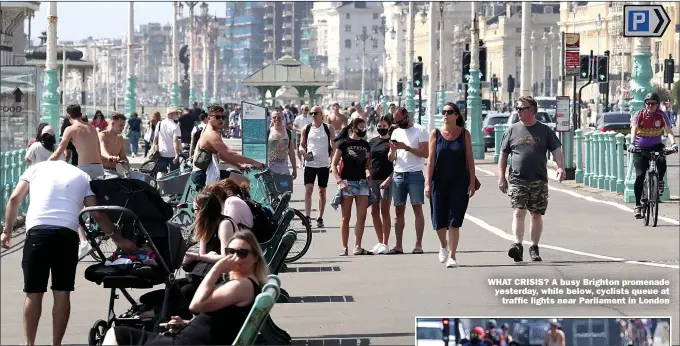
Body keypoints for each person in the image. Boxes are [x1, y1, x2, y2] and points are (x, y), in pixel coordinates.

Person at [1, 160, 136, 346]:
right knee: (62, 293)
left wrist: (7, 232)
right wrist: (118, 239)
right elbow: (97, 214)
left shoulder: (33, 169)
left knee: (33, 293)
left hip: (37, 234)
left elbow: (14, 200)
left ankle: (29, 343)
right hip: (66, 236)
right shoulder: (82, 176)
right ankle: (56, 344)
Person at [102, 231, 267, 346]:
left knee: (116, 334)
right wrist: (187, 324)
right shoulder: (245, 284)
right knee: (121, 334)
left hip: (186, 343)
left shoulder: (241, 285)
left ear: (255, 257)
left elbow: (196, 305)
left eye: (242, 253)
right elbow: (225, 322)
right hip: (189, 339)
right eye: (230, 252)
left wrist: (217, 269)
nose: (235, 257)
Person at [498, 96, 565, 262]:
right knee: (519, 211)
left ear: (532, 110)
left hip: (538, 179)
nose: (518, 111)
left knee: (536, 214)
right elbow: (503, 155)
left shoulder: (544, 130)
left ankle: (534, 247)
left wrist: (561, 167)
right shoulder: (512, 130)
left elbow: (556, 150)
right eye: (517, 108)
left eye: (522, 108)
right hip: (517, 178)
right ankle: (517, 245)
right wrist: (501, 177)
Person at [426, 103, 476, 267]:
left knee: (454, 219)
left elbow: (469, 159)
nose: (446, 115)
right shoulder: (436, 134)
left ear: (456, 115)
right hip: (438, 182)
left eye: (449, 112)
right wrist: (427, 183)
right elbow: (431, 160)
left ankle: (453, 256)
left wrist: (472, 181)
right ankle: (443, 245)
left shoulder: (464, 134)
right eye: (444, 112)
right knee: (439, 219)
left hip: (459, 182)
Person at [180, 189, 239, 301]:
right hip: (212, 273)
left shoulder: (224, 224)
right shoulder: (204, 226)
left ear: (204, 210)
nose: (194, 212)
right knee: (177, 290)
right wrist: (206, 256)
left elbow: (226, 257)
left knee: (184, 292)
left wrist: (197, 256)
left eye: (195, 209)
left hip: (226, 275)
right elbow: (204, 254)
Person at [629, 92, 678, 218]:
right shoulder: (639, 115)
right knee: (640, 176)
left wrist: (674, 144)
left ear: (657, 105)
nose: (650, 106)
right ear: (645, 104)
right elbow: (634, 129)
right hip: (640, 148)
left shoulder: (661, 115)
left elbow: (668, 130)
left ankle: (659, 180)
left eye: (653, 104)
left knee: (662, 160)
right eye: (648, 103)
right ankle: (638, 205)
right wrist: (632, 143)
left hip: (656, 146)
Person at [387, 107, 429, 254]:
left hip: (414, 174)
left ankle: (418, 244)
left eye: (400, 121)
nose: (398, 124)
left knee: (417, 208)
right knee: (398, 210)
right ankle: (398, 245)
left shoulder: (420, 130)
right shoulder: (396, 131)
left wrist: (407, 148)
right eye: (396, 121)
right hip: (398, 174)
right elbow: (391, 158)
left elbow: (426, 153)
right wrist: (392, 151)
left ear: (407, 116)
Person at [190, 104, 263, 189]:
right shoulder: (211, 134)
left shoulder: (209, 130)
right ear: (209, 118)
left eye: (223, 117)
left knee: (230, 188)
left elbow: (222, 155)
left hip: (203, 173)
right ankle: (235, 202)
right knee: (244, 181)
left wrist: (238, 165)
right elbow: (229, 153)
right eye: (217, 117)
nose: (221, 119)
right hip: (203, 174)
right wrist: (253, 162)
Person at [331, 118, 372, 256]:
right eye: (361, 126)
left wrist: (368, 174)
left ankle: (357, 246)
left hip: (362, 183)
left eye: (365, 126)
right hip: (347, 183)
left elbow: (367, 165)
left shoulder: (366, 144)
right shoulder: (343, 144)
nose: (364, 129)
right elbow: (334, 165)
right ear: (354, 128)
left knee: (362, 215)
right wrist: (340, 182)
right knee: (346, 217)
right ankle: (344, 247)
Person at [299, 105, 336, 228]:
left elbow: (334, 146)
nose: (313, 115)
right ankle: (308, 216)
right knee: (308, 189)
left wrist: (333, 162)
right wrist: (304, 153)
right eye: (312, 113)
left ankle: (320, 217)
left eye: (315, 113)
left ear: (321, 114)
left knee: (322, 191)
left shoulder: (328, 128)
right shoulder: (307, 128)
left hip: (324, 164)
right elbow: (301, 145)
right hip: (310, 164)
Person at [367, 116, 394, 255]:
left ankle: (386, 242)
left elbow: (396, 163)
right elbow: (368, 160)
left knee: (385, 211)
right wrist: (367, 175)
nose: (381, 128)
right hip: (373, 180)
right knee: (373, 212)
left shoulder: (392, 142)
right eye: (379, 125)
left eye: (384, 126)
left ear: (389, 126)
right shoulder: (372, 141)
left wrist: (389, 179)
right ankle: (380, 241)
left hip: (386, 181)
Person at [267, 110, 298, 180]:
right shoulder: (268, 133)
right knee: (272, 191)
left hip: (284, 170)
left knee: (283, 191)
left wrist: (294, 169)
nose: (277, 119)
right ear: (271, 119)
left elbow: (292, 153)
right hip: (270, 170)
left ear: (283, 118)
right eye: (274, 117)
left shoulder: (288, 133)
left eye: (279, 117)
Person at [154, 108, 183, 178]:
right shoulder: (175, 126)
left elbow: (155, 138)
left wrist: (156, 148)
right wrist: (176, 154)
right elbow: (175, 141)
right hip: (172, 153)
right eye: (176, 114)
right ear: (171, 115)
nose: (178, 115)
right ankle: (172, 187)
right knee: (174, 173)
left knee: (161, 171)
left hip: (161, 152)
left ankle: (159, 186)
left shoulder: (159, 124)